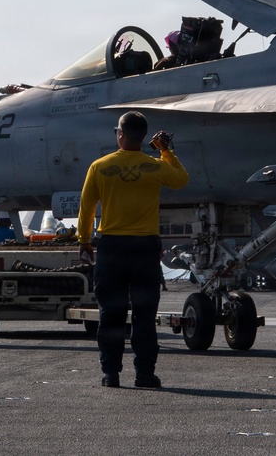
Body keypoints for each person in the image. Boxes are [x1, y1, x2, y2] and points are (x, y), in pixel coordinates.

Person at [77, 111, 188, 388]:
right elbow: (181, 180)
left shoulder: (99, 167)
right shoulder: (154, 166)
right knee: (144, 315)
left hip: (112, 248)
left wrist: (84, 241)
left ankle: (111, 374)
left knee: (111, 314)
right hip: (144, 249)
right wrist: (165, 152)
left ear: (121, 134)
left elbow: (87, 208)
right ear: (142, 137)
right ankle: (145, 375)